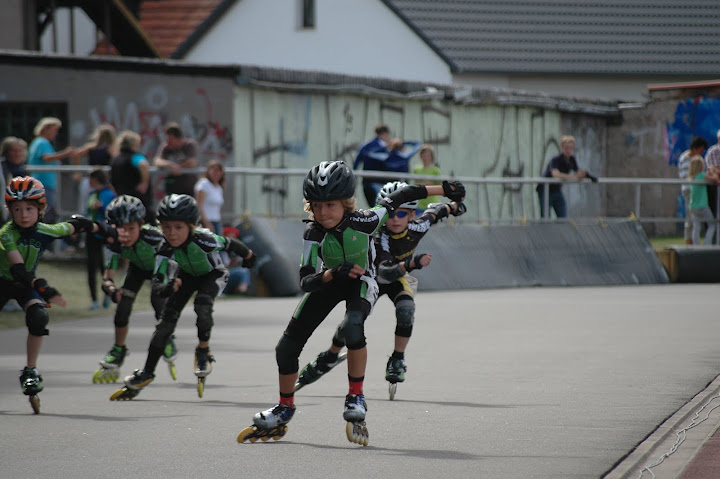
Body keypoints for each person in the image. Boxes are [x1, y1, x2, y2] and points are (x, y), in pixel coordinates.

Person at [240, 161, 465, 445]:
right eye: (317, 205)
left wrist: (445, 189)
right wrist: (332, 273)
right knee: (286, 347)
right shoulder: (313, 233)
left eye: (330, 205)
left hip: (363, 281)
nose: (323, 213)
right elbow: (305, 280)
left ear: (346, 203)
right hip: (329, 281)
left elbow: (404, 194)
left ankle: (356, 397)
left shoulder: (367, 220)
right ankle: (285, 408)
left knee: (353, 327)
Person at [295, 181, 466, 396]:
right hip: (373, 278)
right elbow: (385, 271)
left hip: (397, 279)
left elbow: (436, 211)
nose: (395, 219)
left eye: (403, 214)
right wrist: (412, 264)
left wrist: (455, 206)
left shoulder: (418, 226)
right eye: (392, 214)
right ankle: (330, 355)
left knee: (406, 310)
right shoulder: (376, 233)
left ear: (412, 215)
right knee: (351, 325)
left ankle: (397, 358)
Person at [110, 194, 255, 400]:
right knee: (164, 325)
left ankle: (203, 351)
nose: (172, 233)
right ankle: (147, 372)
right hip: (185, 276)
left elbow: (231, 244)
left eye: (178, 227)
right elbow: (157, 282)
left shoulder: (205, 239)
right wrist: (168, 288)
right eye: (167, 227)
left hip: (212, 274)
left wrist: (249, 256)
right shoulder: (164, 249)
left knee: (202, 306)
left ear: (190, 225)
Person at [0, 176, 107, 411]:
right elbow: (18, 269)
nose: (24, 214)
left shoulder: (46, 230)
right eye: (17, 209)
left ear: (41, 209)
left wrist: (104, 231)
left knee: (39, 317)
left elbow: (76, 225)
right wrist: (45, 289)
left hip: (24, 284)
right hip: (4, 281)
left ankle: (30, 370)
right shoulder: (7, 233)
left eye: (29, 208)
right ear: (10, 210)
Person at [93, 195, 173, 384]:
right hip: (137, 268)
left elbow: (174, 254)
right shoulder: (114, 243)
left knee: (158, 303)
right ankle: (118, 350)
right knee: (123, 307)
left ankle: (168, 335)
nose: (126, 234)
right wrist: (113, 291)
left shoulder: (154, 237)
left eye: (131, 229)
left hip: (158, 267)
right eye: (121, 229)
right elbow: (107, 278)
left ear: (141, 224)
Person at [27, 117, 76, 223]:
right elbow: (46, 158)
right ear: (46, 129)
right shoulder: (42, 142)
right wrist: (65, 153)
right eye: (54, 130)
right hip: (43, 184)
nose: (56, 133)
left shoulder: (40, 142)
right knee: (47, 214)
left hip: (46, 184)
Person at [86, 168, 116, 310]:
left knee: (104, 267)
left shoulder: (108, 194)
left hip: (104, 235)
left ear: (95, 179)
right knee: (91, 267)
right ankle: (94, 300)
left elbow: (112, 214)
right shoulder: (92, 194)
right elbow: (87, 211)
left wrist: (101, 208)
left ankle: (107, 294)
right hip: (91, 234)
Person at [537, 135, 587, 218]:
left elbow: (579, 173)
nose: (568, 151)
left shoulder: (571, 159)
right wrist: (574, 176)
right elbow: (556, 174)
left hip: (557, 191)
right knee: (545, 218)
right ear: (561, 148)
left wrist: (584, 174)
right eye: (566, 148)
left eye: (571, 148)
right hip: (545, 190)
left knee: (562, 218)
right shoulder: (556, 159)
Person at [110, 131, 153, 223]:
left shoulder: (115, 160)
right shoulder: (135, 157)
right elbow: (144, 165)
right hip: (138, 201)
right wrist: (144, 183)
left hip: (122, 200)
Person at [72, 124, 117, 213]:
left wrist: (77, 171)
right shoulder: (110, 149)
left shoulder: (91, 147)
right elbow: (116, 159)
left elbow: (76, 154)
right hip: (104, 181)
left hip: (89, 179)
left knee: (85, 205)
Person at [154, 122, 200, 197]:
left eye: (170, 140)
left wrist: (179, 167)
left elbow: (192, 162)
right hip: (171, 187)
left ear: (178, 139)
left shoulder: (189, 145)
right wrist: (170, 165)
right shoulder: (165, 147)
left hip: (188, 188)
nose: (168, 143)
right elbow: (157, 161)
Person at [678, 137, 709, 244]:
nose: (701, 153)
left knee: (694, 219)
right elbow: (689, 177)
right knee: (690, 217)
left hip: (696, 190)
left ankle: (694, 241)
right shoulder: (686, 158)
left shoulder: (696, 158)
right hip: (689, 191)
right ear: (695, 148)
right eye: (700, 150)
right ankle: (689, 241)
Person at [353, 124, 391, 207]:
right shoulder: (384, 147)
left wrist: (354, 179)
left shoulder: (366, 145)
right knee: (380, 206)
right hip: (379, 181)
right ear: (385, 134)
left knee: (373, 206)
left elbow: (356, 162)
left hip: (366, 181)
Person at [688, 156, 719, 245]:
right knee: (712, 224)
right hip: (702, 206)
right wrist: (712, 171)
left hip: (693, 206)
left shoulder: (692, 178)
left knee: (696, 227)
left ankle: (696, 245)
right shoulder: (702, 175)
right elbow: (715, 179)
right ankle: (706, 244)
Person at [0, 136, 29, 224]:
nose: (17, 154)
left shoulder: (22, 170)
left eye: (20, 151)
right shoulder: (2, 168)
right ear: (6, 152)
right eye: (14, 151)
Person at [195, 160, 225, 233]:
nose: (216, 173)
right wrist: (207, 223)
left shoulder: (219, 187)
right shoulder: (204, 184)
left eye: (218, 170)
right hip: (205, 222)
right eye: (213, 170)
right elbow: (199, 205)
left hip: (216, 221)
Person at [221, 226, 251, 295]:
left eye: (234, 237)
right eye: (230, 237)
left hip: (227, 274)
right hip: (220, 275)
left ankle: (241, 289)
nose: (232, 239)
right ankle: (241, 289)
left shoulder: (234, 250)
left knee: (244, 271)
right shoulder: (220, 247)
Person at [412, 144, 442, 212]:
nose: (426, 157)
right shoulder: (416, 169)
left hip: (432, 201)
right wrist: (422, 184)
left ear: (431, 156)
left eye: (428, 155)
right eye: (424, 155)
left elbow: (439, 186)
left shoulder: (435, 170)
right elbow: (415, 184)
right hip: (420, 201)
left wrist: (430, 185)